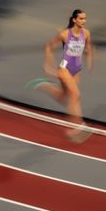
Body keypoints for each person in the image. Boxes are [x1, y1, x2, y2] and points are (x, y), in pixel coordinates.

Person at [27, 9, 94, 143]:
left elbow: (89, 48)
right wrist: (48, 64)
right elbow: (48, 46)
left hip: (77, 69)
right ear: (74, 20)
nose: (84, 21)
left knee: (64, 97)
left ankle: (45, 85)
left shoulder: (86, 33)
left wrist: (89, 61)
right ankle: (78, 127)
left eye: (85, 18)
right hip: (65, 69)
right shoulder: (64, 34)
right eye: (81, 18)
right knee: (75, 95)